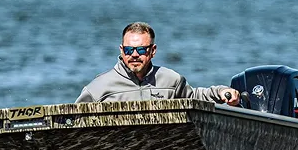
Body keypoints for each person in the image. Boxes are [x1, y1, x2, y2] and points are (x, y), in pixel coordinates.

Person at [75, 22, 240, 105]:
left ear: (153, 50)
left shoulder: (171, 80)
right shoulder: (98, 87)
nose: (134, 55)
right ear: (121, 50)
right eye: (129, 50)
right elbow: (72, 122)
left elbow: (195, 97)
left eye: (141, 50)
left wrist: (221, 91)